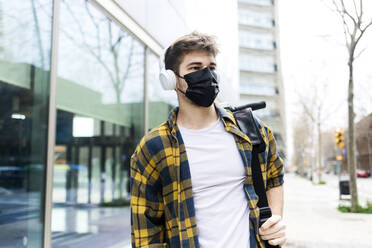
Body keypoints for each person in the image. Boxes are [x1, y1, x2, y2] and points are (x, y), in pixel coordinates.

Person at [130, 32, 286, 248]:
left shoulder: (249, 127)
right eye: (195, 67)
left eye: (211, 68)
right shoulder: (154, 146)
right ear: (171, 79)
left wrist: (274, 221)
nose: (206, 75)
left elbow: (275, 177)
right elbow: (145, 234)